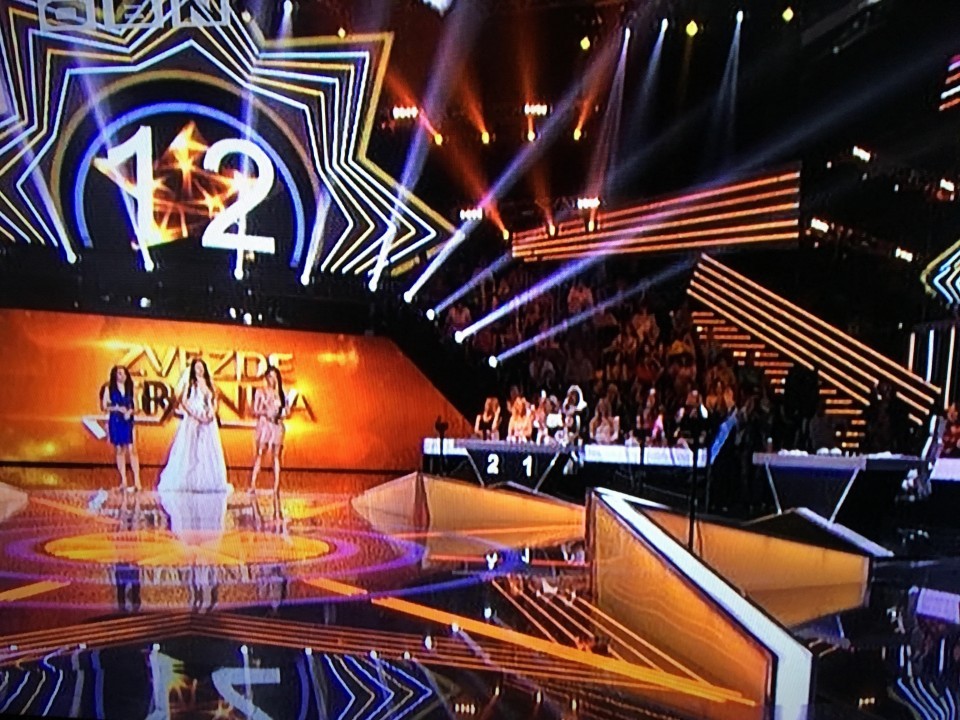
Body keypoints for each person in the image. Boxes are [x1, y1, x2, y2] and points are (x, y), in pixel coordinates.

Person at [158, 358, 230, 493]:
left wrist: (211, 413)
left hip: (208, 420)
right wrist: (195, 414)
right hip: (193, 418)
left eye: (202, 367)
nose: (200, 370)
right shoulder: (190, 383)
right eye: (197, 367)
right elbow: (184, 401)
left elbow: (215, 400)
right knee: (191, 449)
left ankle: (208, 481)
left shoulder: (210, 384)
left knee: (208, 450)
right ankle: (189, 480)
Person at [101, 366, 141, 492]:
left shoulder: (131, 389)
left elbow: (137, 407)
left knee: (132, 449)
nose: (122, 376)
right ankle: (123, 481)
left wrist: (130, 411)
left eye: (124, 373)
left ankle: (137, 481)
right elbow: (104, 406)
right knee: (120, 450)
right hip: (116, 421)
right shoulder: (109, 389)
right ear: (115, 375)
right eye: (119, 373)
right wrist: (117, 408)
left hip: (128, 421)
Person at [249, 367, 288, 493]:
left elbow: (286, 410)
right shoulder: (261, 392)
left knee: (276, 455)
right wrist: (266, 412)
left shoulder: (281, 393)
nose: (272, 379)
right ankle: (253, 484)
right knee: (260, 453)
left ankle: (276, 486)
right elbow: (254, 410)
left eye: (275, 377)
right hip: (265, 425)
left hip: (277, 425)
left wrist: (281, 413)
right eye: (270, 376)